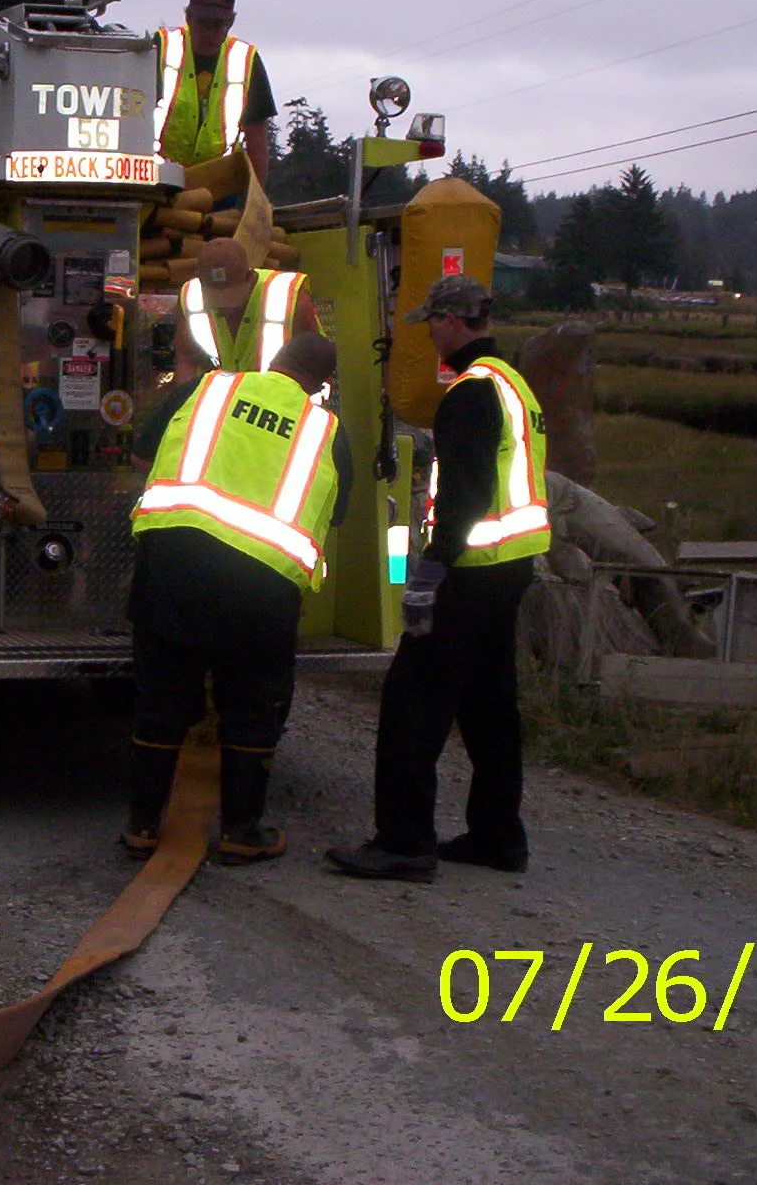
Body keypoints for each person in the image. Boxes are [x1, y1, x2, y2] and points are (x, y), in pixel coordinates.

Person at [328, 275, 550, 882]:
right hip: (510, 567)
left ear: (453, 322)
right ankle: (499, 836)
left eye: (432, 321)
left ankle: (403, 842)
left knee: (411, 701)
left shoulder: (470, 393)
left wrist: (430, 570)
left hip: (471, 572)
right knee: (488, 706)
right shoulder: (514, 386)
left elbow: (466, 493)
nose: (428, 333)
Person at [124, 332, 350, 865]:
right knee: (252, 705)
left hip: (174, 565)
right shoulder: (325, 429)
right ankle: (241, 831)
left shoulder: (207, 388)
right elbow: (336, 514)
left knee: (162, 700)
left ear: (271, 361)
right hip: (261, 587)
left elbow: (140, 456)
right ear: (322, 385)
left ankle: (140, 827)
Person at [152, 0, 276, 180]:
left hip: (220, 184)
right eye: (203, 23)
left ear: (231, 22)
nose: (210, 33)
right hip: (159, 177)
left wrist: (256, 201)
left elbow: (257, 141)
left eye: (218, 25)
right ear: (189, 18)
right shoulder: (162, 48)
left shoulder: (245, 59)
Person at [175, 237, 320, 374]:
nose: (227, 309)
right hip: (229, 396)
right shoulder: (191, 297)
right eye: (216, 300)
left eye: (232, 297)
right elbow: (186, 357)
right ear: (199, 281)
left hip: (276, 397)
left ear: (250, 278)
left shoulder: (288, 296)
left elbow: (316, 360)